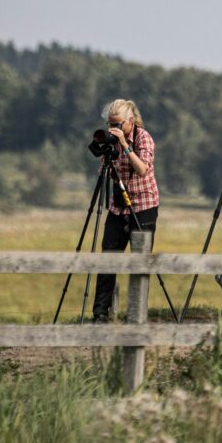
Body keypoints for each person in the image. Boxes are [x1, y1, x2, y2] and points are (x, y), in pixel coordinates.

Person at [92, 99, 159, 323]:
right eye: (111, 124)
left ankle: (136, 314)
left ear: (130, 121)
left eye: (118, 124)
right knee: (108, 257)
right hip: (118, 205)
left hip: (143, 205)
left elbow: (142, 169)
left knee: (140, 261)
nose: (114, 129)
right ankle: (100, 312)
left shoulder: (144, 138)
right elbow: (103, 170)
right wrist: (106, 148)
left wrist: (126, 146)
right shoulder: (113, 140)